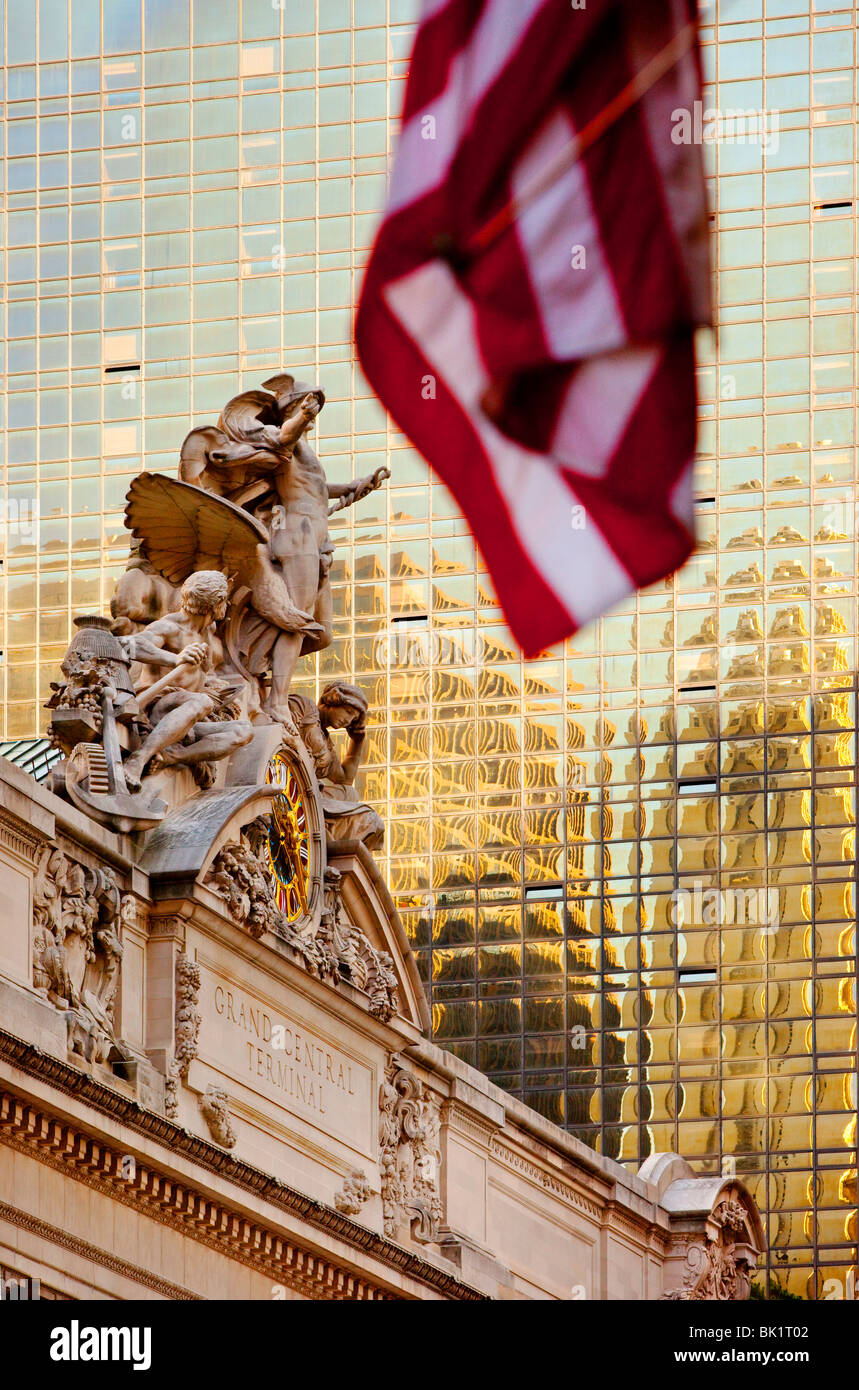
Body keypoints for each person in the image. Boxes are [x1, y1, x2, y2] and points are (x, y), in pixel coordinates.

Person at [121, 570, 252, 792]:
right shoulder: (170, 627)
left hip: (188, 719)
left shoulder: (207, 629)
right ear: (216, 604)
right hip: (159, 711)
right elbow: (129, 645)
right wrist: (174, 658)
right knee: (202, 702)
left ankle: (172, 755)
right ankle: (138, 759)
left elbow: (202, 675)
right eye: (225, 600)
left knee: (244, 730)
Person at [288, 680, 384, 849]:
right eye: (348, 712)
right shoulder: (303, 706)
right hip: (288, 777)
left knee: (350, 794)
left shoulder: (328, 746)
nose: (348, 720)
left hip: (309, 791)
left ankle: (328, 836)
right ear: (333, 700)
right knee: (364, 815)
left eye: (353, 718)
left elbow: (345, 780)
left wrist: (357, 742)